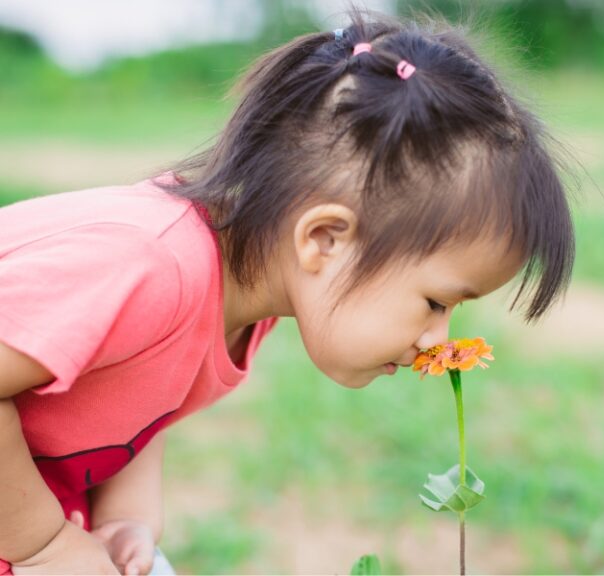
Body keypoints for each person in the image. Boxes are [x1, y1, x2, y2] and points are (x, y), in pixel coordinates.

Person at [0, 8, 574, 575]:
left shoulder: (246, 293)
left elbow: (135, 392)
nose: (437, 340)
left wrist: (127, 516)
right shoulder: (150, 265)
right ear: (324, 239)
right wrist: (42, 546)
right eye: (435, 302)